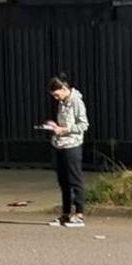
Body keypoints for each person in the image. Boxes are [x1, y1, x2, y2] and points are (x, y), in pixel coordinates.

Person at [43, 73, 89, 228]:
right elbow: (63, 122)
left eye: (56, 95)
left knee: (75, 180)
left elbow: (84, 125)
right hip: (60, 144)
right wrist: (54, 126)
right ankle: (65, 214)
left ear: (63, 88)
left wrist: (64, 129)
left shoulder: (76, 101)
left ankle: (80, 215)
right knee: (63, 181)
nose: (56, 98)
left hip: (73, 145)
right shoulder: (63, 102)